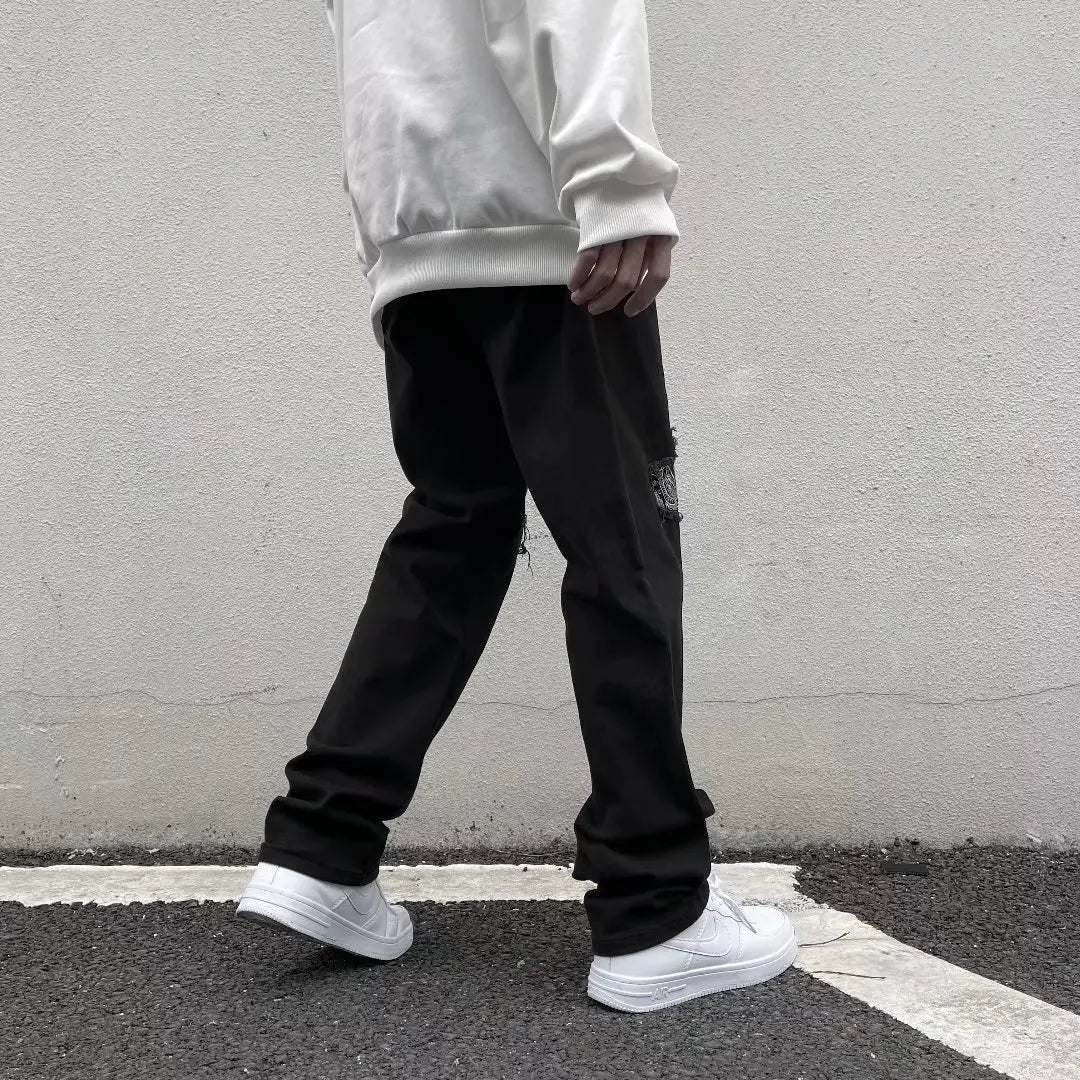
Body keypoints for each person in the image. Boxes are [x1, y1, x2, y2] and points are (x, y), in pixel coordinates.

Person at [237, 0, 797, 1012]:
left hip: (419, 239)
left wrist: (392, 239)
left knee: (454, 528)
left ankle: (322, 842)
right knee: (623, 544)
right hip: (548, 240)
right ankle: (656, 908)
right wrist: (618, 186)